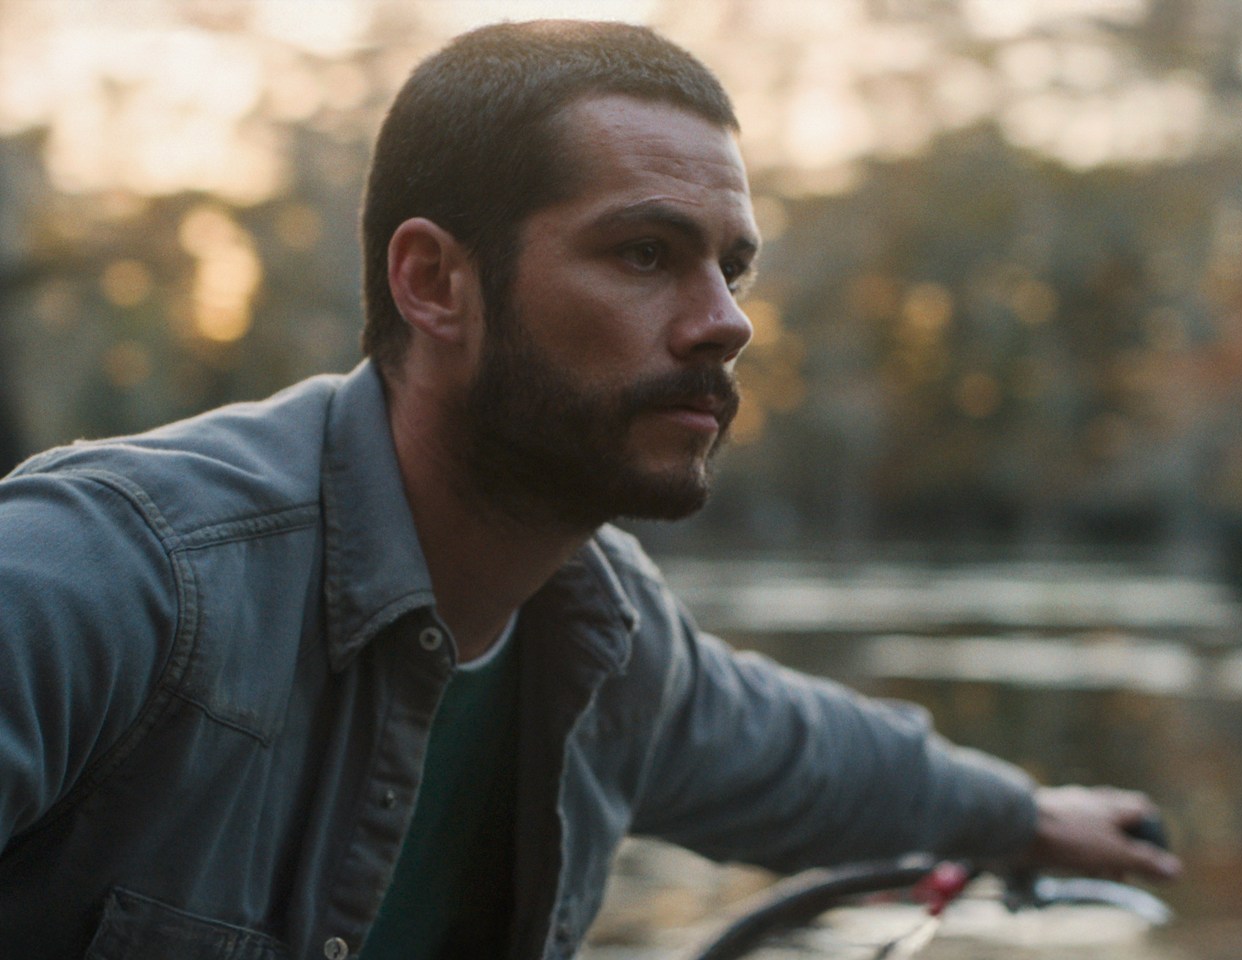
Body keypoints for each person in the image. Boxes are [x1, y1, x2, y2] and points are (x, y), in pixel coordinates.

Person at [0, 19, 1181, 960]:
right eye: (644, 254)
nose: (727, 322)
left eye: (731, 266)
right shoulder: (109, 579)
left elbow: (806, 758)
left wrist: (1030, 821)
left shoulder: (607, 635)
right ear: (435, 282)